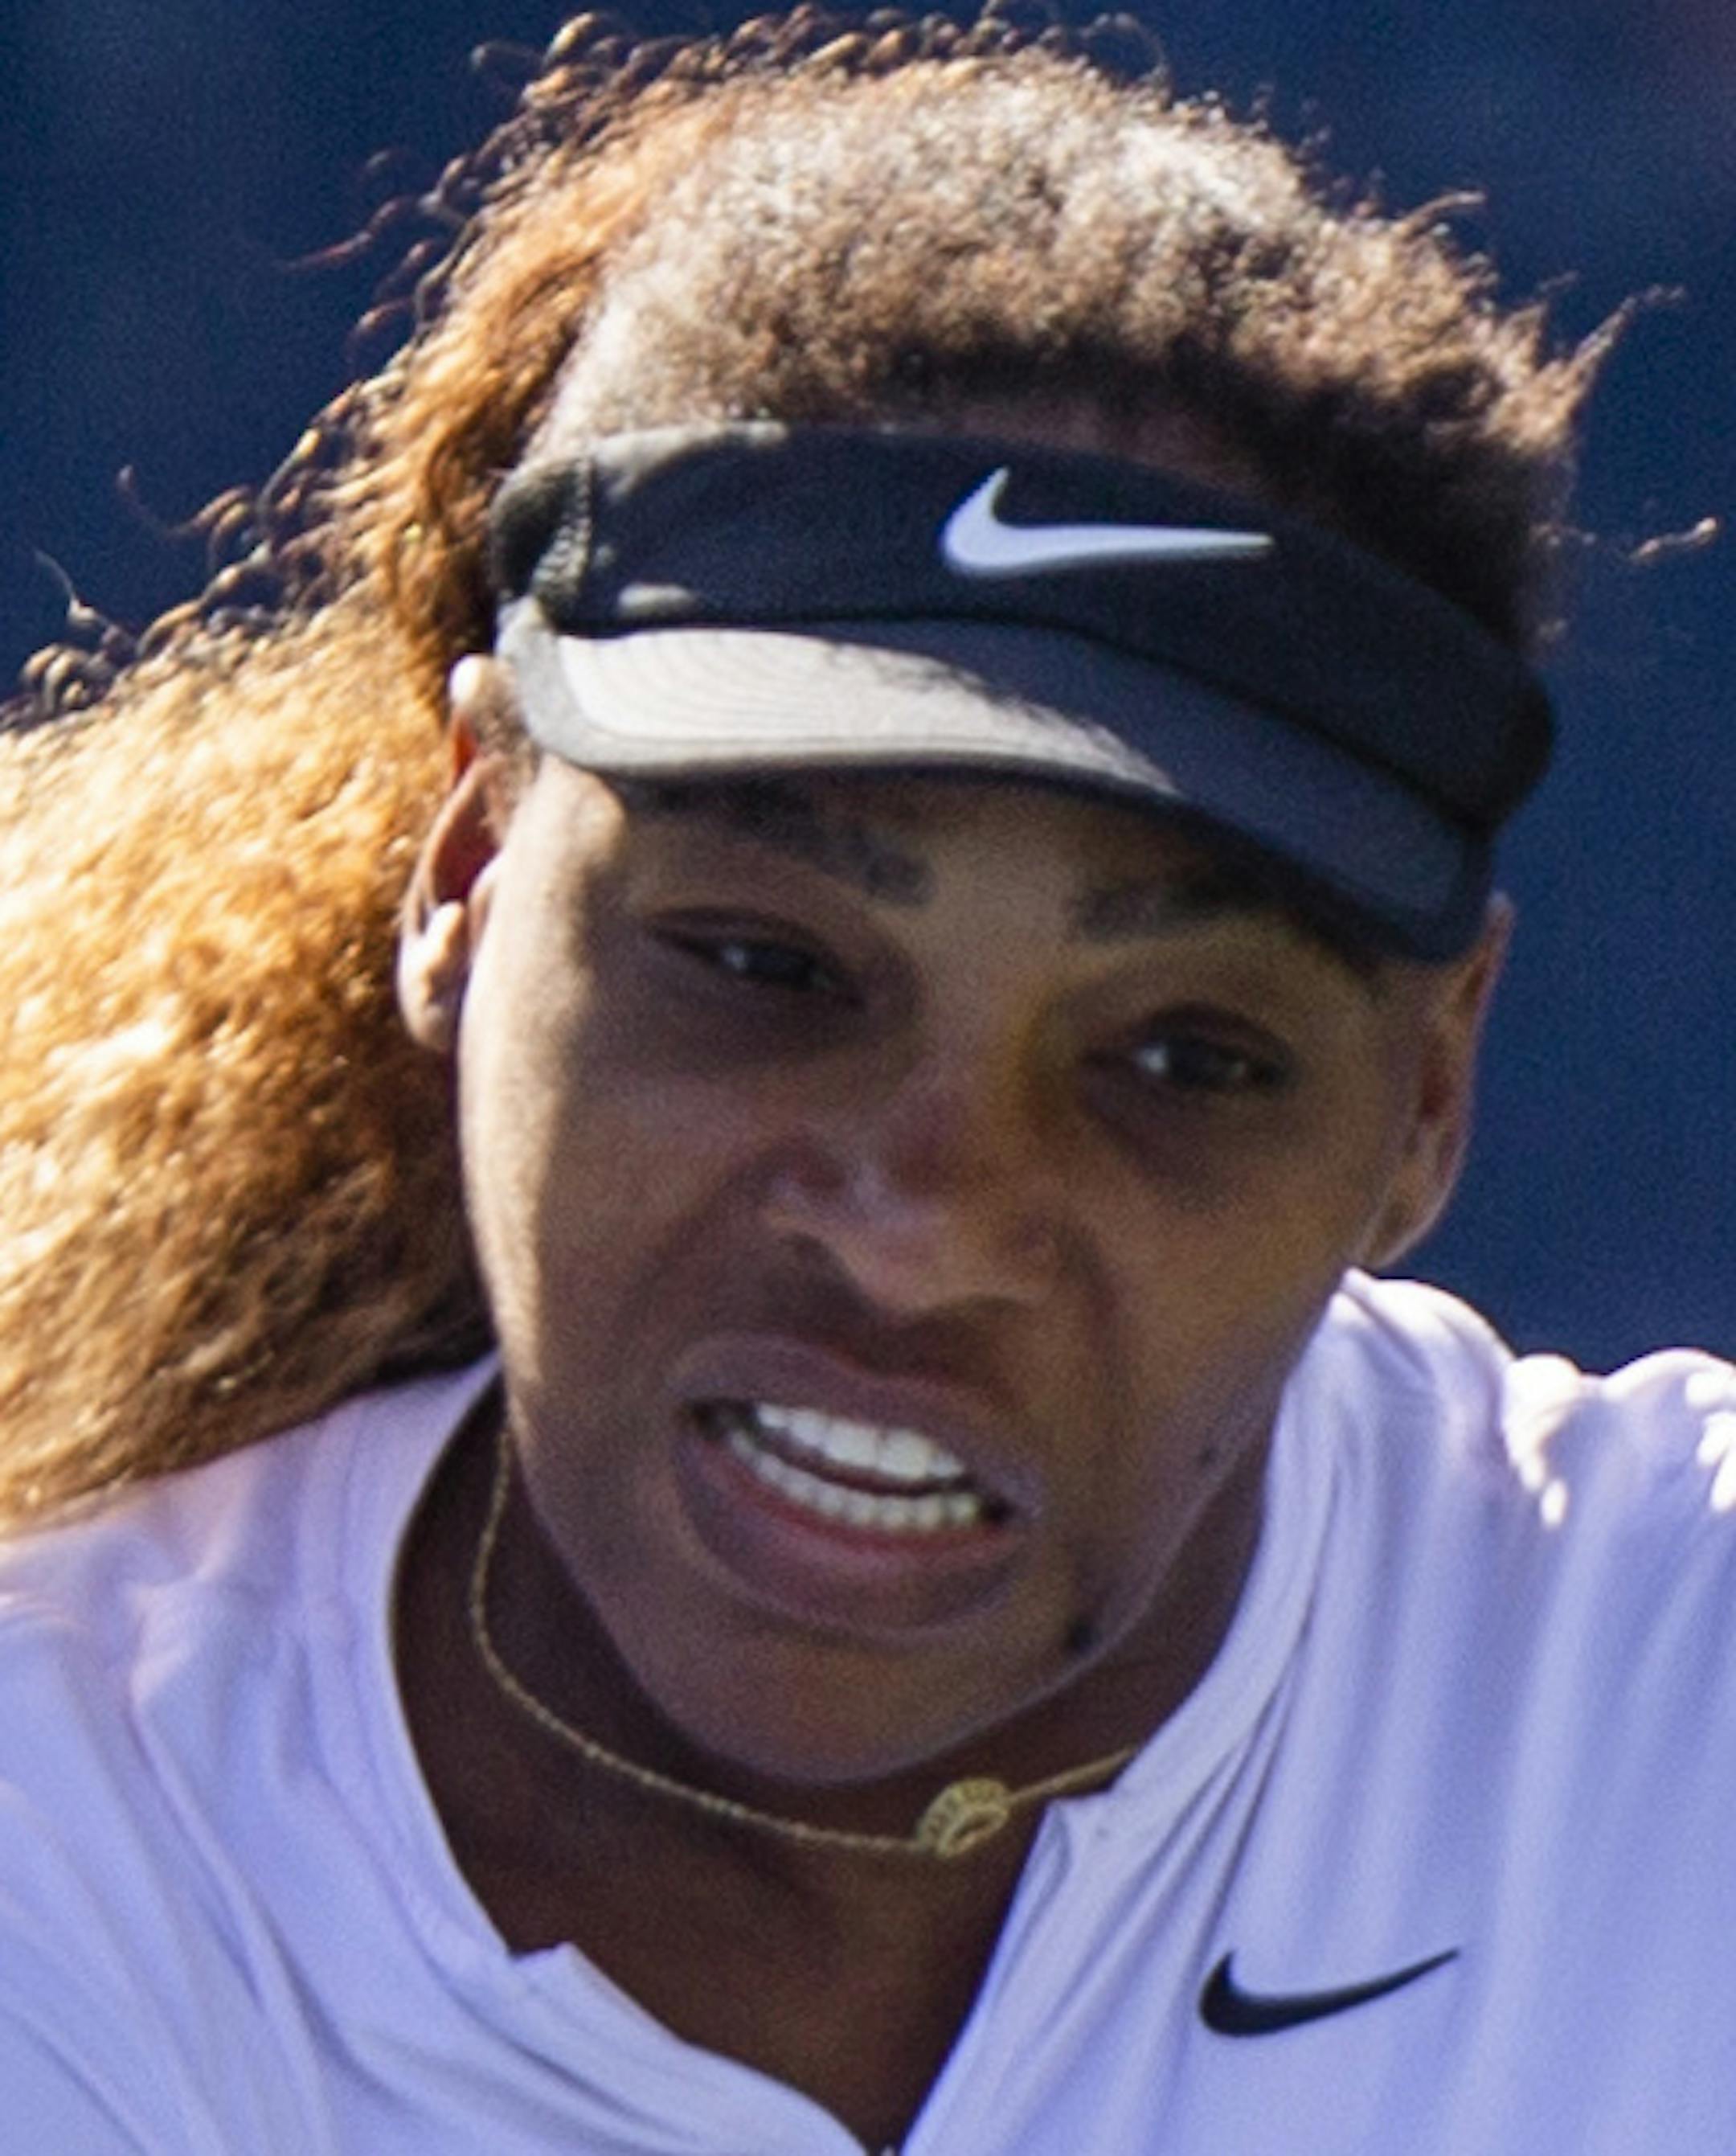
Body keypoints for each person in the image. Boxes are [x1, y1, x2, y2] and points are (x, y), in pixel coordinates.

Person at [1, 8, 1731, 2150]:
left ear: (1427, 1098)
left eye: (1185, 1057)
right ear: (466, 865)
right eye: (763, 962)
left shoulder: (1684, 1679)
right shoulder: (57, 1858)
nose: (917, 1226)